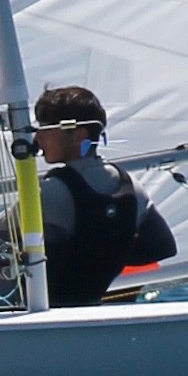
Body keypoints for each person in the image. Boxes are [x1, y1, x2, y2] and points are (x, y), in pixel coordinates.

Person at [32, 87, 175, 307]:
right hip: (89, 303)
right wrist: (106, 255)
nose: (37, 137)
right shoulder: (132, 187)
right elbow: (163, 246)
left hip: (41, 313)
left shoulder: (50, 191)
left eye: (45, 128)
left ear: (79, 134)